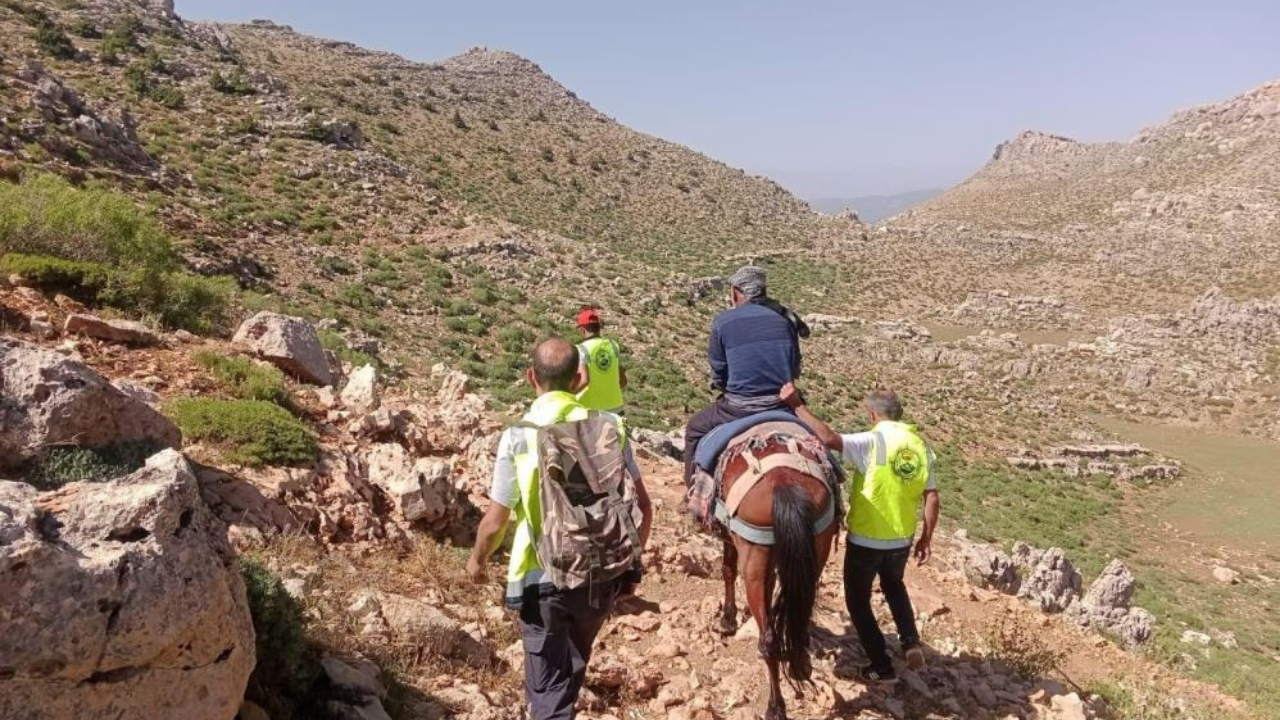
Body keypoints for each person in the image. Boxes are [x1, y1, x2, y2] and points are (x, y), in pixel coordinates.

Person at [467, 336, 653, 720]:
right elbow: (644, 508)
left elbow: (496, 521)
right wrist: (630, 568)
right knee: (570, 670)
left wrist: (477, 561)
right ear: (580, 378)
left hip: (541, 581)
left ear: (530, 377)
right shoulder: (612, 427)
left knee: (548, 691)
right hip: (600, 577)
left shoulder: (518, 437)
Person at [780, 382, 939, 684]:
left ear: (872, 414)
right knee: (894, 585)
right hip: (901, 538)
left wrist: (796, 405)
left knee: (857, 600)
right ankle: (910, 641)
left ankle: (882, 664)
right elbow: (932, 497)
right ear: (899, 414)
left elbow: (827, 438)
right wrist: (926, 538)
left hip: (867, 538)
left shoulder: (872, 441)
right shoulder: (921, 447)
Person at [682, 265, 805, 487]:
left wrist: (725, 386)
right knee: (818, 440)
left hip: (739, 408)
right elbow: (794, 369)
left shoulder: (723, 322)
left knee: (694, 429)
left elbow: (719, 372)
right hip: (783, 404)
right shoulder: (787, 320)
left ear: (736, 292)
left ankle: (693, 493)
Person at [573, 307, 627, 413]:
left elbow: (584, 380)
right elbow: (623, 382)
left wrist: (566, 396)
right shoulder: (613, 345)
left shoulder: (581, 349)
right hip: (616, 407)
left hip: (591, 410)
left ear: (582, 330)